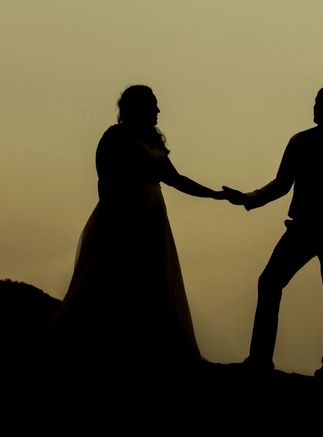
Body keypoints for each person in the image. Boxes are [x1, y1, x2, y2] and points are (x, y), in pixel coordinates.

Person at [50, 84, 223, 372]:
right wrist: (116, 215)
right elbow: (103, 178)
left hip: (152, 218)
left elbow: (176, 179)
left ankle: (148, 347)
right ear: (138, 106)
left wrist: (216, 194)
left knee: (151, 278)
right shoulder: (115, 137)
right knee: (115, 277)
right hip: (123, 216)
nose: (158, 110)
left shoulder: (152, 141)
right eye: (152, 104)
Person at [222, 84, 323, 381]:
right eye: (316, 101)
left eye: (320, 102)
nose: (315, 107)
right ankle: (260, 358)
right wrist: (249, 199)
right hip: (303, 227)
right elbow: (282, 184)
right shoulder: (301, 142)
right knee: (270, 282)